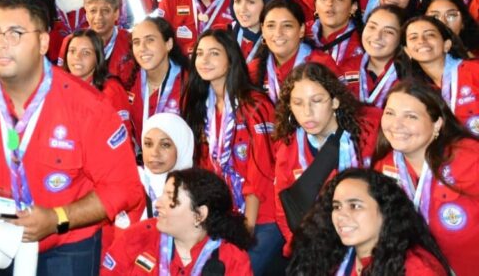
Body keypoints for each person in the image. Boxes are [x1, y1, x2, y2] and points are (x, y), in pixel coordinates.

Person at [0, 0, 142, 275]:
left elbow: (124, 188)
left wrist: (58, 218)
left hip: (66, 243)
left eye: (15, 33)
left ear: (43, 42)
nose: (1, 42)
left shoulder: (87, 106)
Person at [182, 29, 281, 273]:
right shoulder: (202, 106)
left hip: (261, 218)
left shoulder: (255, 105)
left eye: (214, 53)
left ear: (231, 59)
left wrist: (246, 230)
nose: (204, 60)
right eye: (200, 54)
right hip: (226, 217)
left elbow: (260, 174)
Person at [372, 79, 479, 274]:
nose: (396, 125)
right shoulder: (383, 168)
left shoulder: (470, 158)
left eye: (410, 116)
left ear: (437, 123)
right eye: (390, 113)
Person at [272, 62, 380, 248]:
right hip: (318, 246)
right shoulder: (288, 149)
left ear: (335, 101)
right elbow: (284, 211)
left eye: (317, 101)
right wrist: (301, 250)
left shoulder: (367, 136)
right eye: (298, 103)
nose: (307, 112)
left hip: (369, 239)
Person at [287, 168, 450, 275]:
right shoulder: (336, 255)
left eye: (355, 206)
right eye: (337, 207)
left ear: (386, 210)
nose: (341, 216)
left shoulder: (418, 269)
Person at [101, 168, 255, 275]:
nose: (158, 203)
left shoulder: (232, 260)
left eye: (171, 198)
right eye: (163, 195)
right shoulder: (137, 238)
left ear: (200, 214)